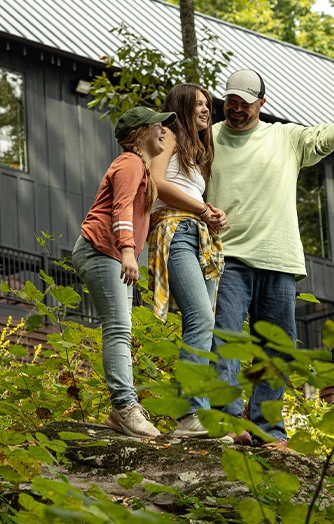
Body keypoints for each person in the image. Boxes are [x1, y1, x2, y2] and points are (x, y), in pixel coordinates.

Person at [207, 69, 334, 448]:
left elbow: (325, 135)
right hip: (226, 256)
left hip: (278, 259)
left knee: (277, 348)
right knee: (224, 339)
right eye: (230, 101)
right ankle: (227, 422)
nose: (236, 109)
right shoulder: (208, 139)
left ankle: (268, 429)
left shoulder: (285, 138)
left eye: (244, 103)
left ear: (262, 103)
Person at [72, 106, 173, 438]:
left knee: (121, 330)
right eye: (157, 125)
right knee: (117, 329)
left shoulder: (140, 167)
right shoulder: (130, 163)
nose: (163, 131)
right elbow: (121, 208)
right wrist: (128, 251)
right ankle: (125, 408)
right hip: (102, 250)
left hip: (111, 253)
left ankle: (122, 411)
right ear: (139, 133)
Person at [147, 83, 228, 439]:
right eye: (198, 104)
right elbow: (156, 182)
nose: (206, 109)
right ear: (181, 107)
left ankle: (201, 414)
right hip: (176, 230)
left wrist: (213, 216)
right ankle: (191, 413)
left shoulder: (198, 151)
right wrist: (203, 208)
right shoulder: (168, 134)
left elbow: (193, 194)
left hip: (200, 235)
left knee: (206, 327)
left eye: (208, 104)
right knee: (201, 317)